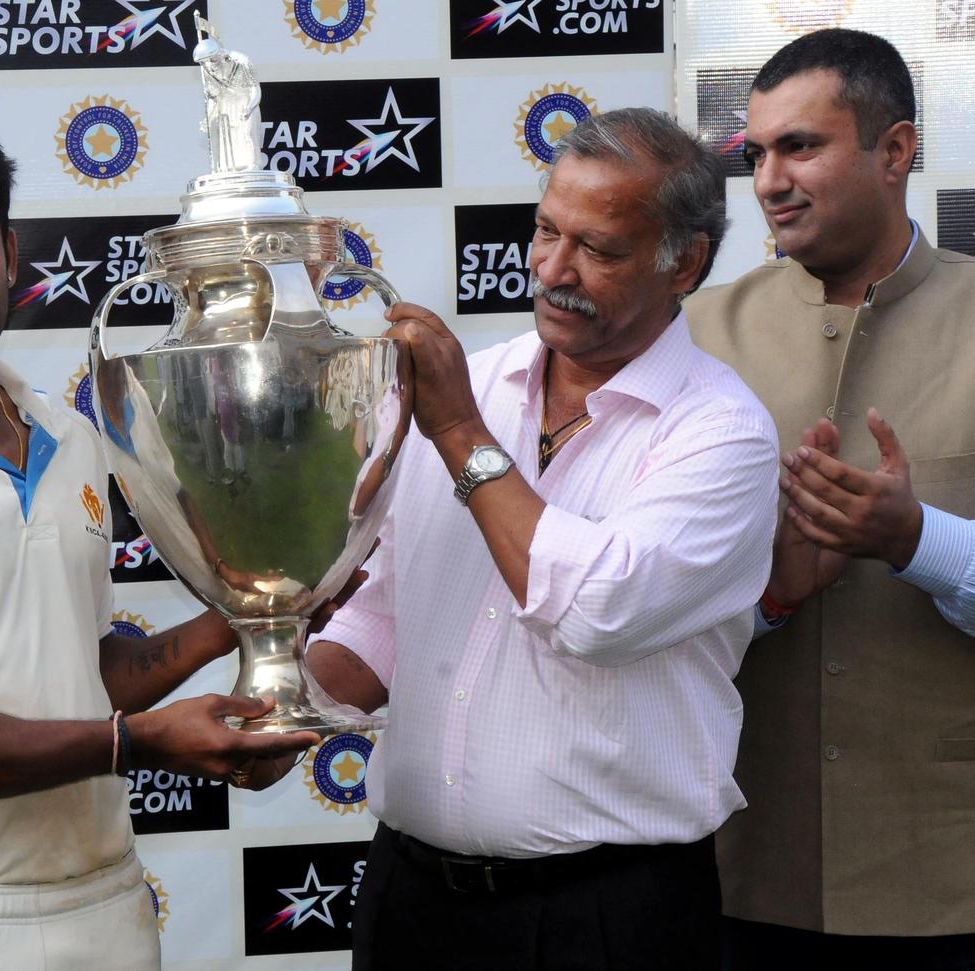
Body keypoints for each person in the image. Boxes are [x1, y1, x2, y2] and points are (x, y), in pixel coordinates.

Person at [0, 114, 324, 970]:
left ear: (10, 254)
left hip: (103, 904)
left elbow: (82, 675)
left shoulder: (64, 434)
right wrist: (139, 743)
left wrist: (256, 610)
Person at [306, 107, 779, 971]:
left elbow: (595, 609)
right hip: (410, 904)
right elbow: (392, 611)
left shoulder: (722, 434)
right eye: (545, 230)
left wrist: (455, 430)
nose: (552, 269)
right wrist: (287, 706)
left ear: (687, 263)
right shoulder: (477, 381)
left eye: (597, 249)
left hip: (608, 920)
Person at [685, 28, 975, 969]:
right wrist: (773, 593)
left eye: (802, 146)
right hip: (741, 871)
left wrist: (917, 541)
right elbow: (645, 599)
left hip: (959, 878)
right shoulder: (695, 334)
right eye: (758, 153)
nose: (771, 179)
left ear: (895, 151)